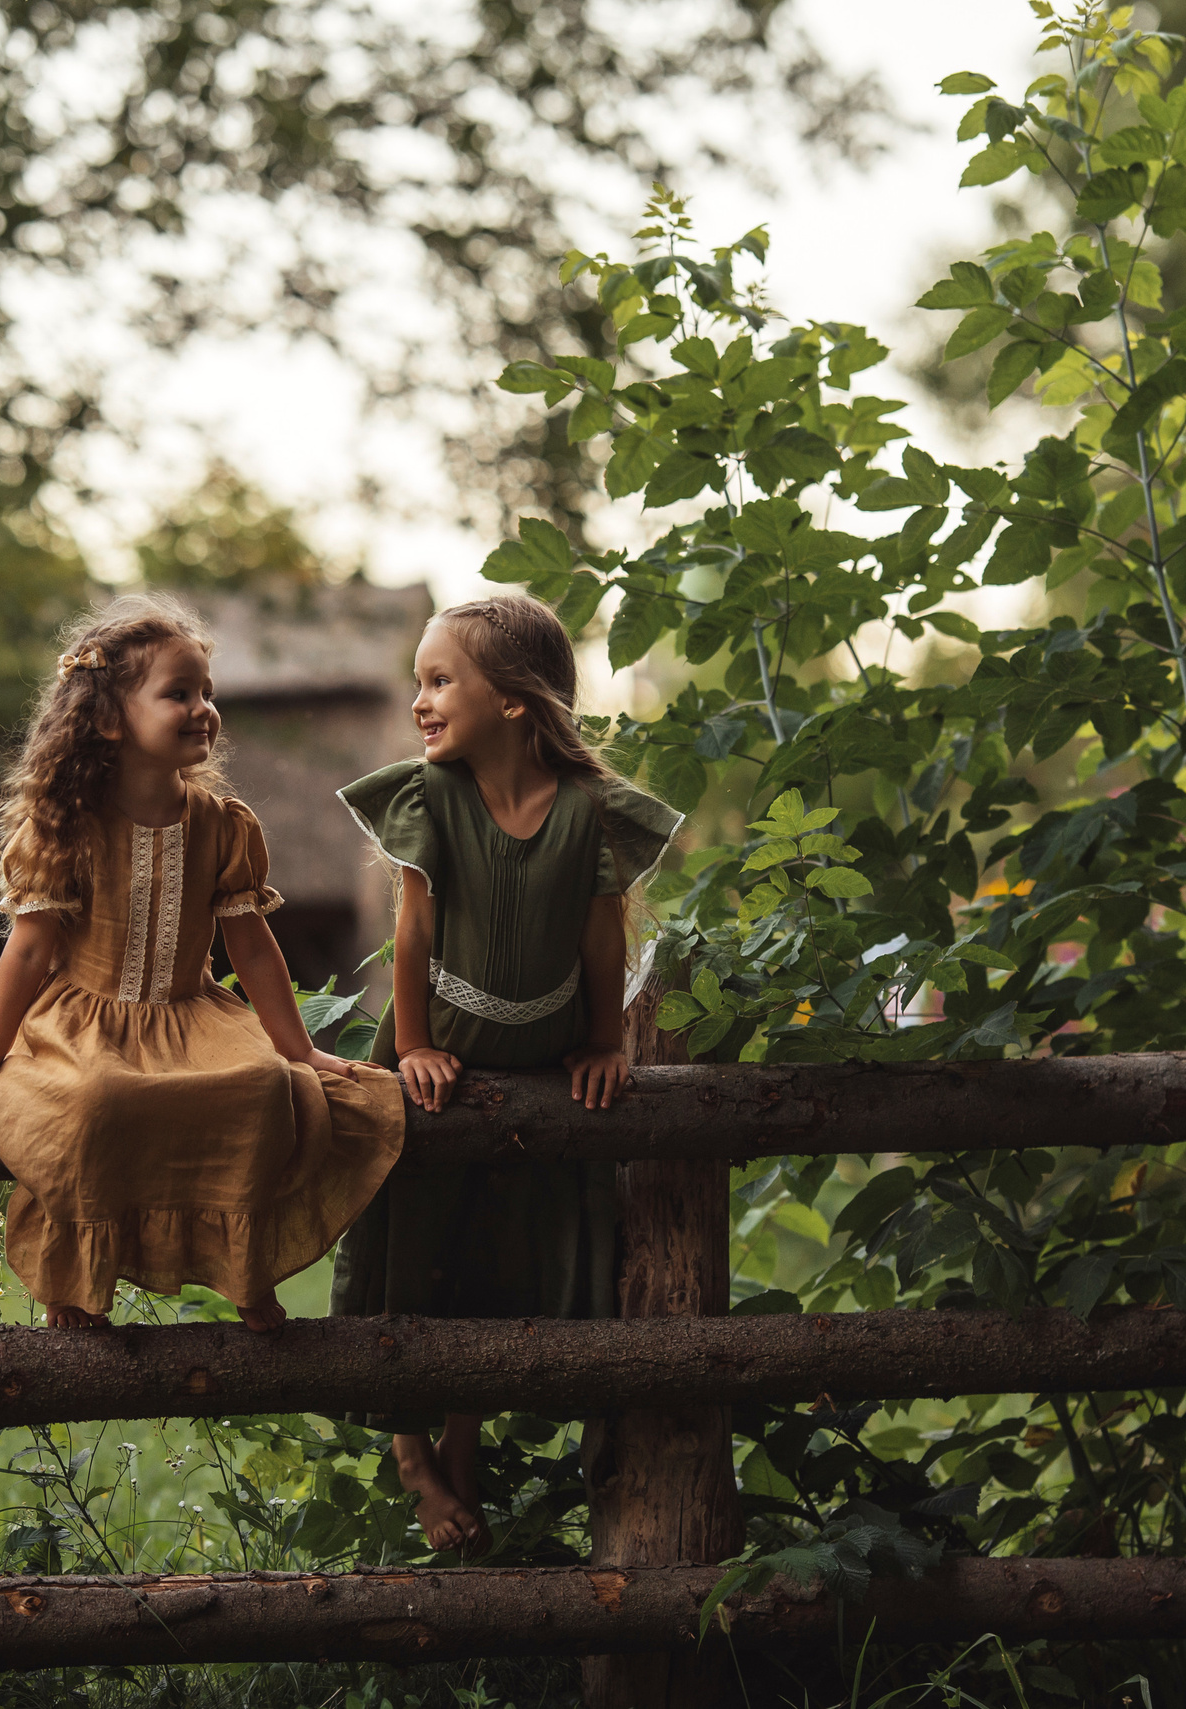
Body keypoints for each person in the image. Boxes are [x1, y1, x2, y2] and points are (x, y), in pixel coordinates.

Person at [0, 593, 404, 1333]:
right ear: (110, 718)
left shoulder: (224, 826)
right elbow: (33, 947)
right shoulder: (66, 827)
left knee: (266, 1085)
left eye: (208, 691)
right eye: (179, 693)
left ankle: (247, 1272)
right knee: (96, 1101)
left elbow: (253, 947)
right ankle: (75, 1290)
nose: (203, 707)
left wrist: (299, 1048)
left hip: (190, 1013)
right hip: (86, 1020)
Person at [329, 591, 682, 1554]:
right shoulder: (429, 798)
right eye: (419, 682)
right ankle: (412, 1453)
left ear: (517, 702)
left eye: (442, 680)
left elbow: (603, 940)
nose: (422, 700)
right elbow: (416, 936)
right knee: (415, 1246)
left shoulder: (588, 813)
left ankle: (463, 1442)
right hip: (438, 1050)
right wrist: (413, 1048)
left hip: (540, 1061)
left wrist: (607, 1041)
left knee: (494, 1248)